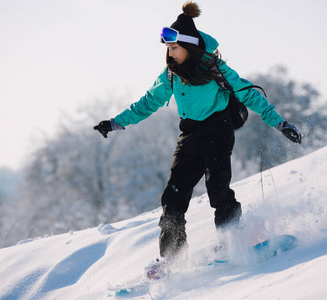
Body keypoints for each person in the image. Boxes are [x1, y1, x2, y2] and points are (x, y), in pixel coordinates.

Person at [94, 1, 301, 274]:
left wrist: (280, 123)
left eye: (174, 48)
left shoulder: (215, 70)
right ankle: (172, 258)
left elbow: (249, 94)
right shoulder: (171, 75)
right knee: (172, 199)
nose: (170, 54)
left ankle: (231, 241)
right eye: (168, 49)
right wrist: (115, 123)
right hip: (189, 136)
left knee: (218, 189)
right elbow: (147, 103)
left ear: (189, 47)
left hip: (218, 132)